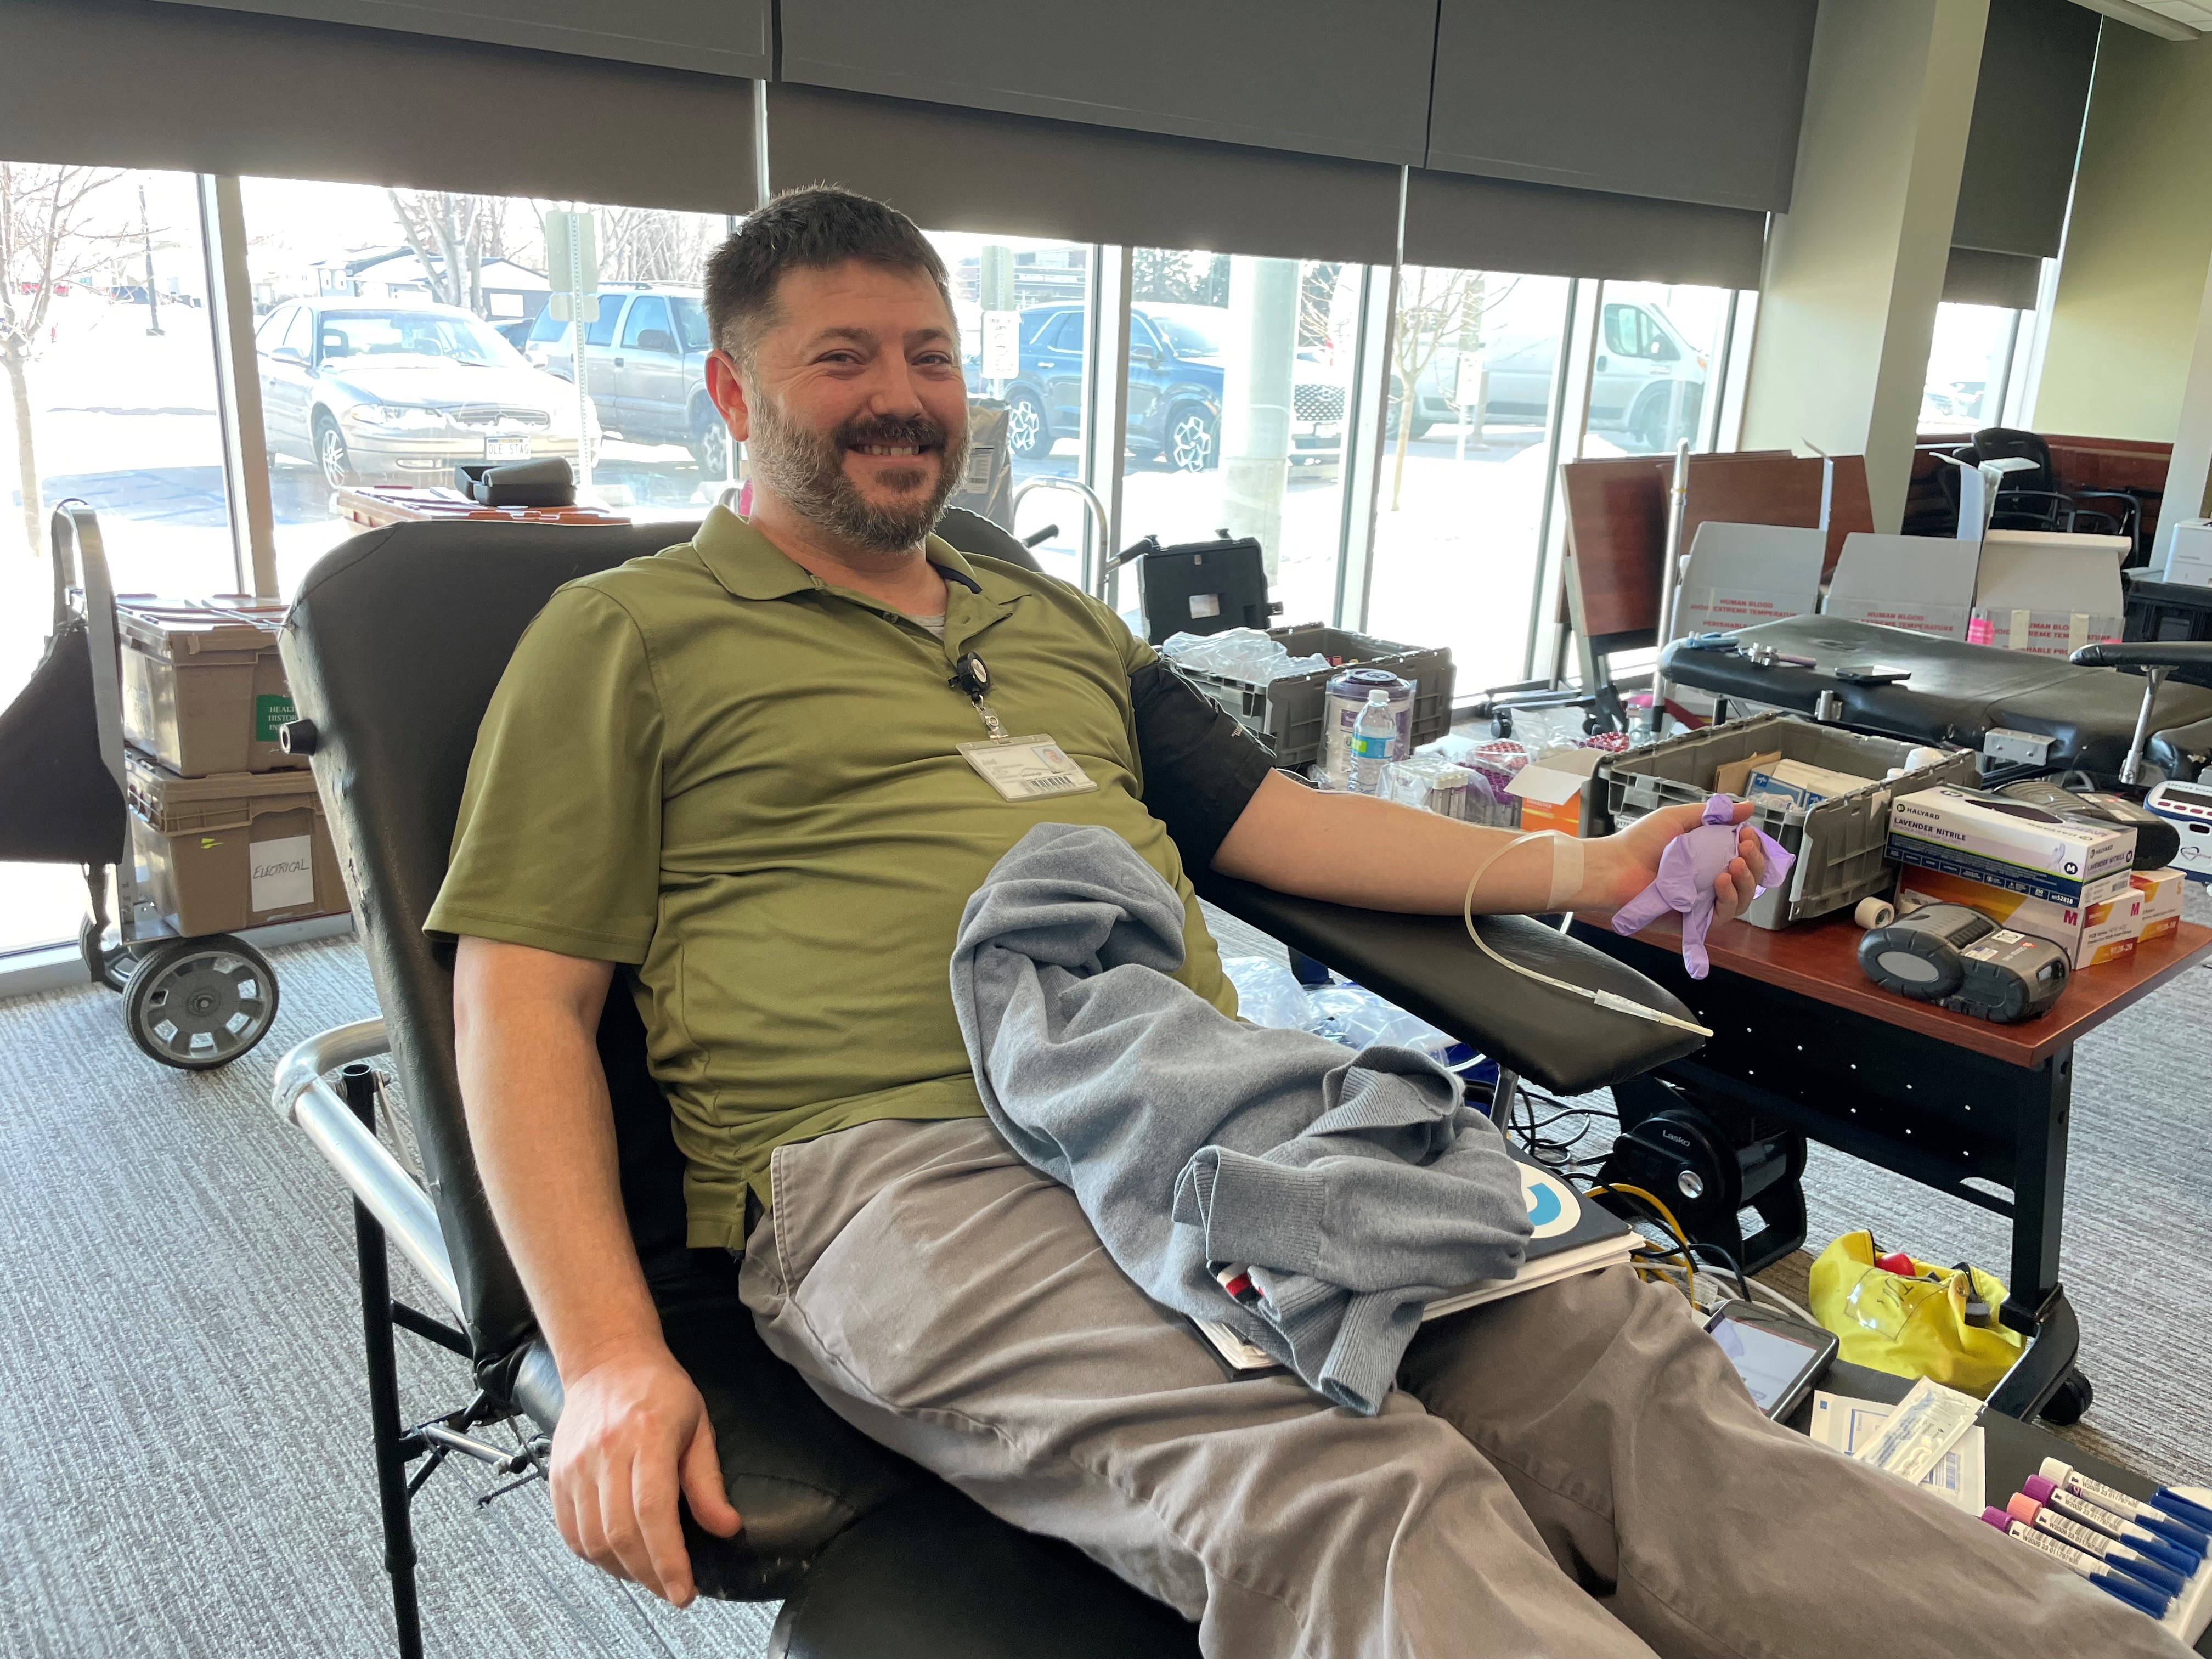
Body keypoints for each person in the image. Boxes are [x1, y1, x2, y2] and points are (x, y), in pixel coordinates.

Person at [430, 187, 2186, 1658]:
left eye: (932, 356)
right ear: (735, 398)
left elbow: (1279, 824)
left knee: (1626, 1380)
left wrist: (1600, 873)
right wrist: (601, 1357)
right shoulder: (628, 638)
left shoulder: (1040, 614)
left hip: (1209, 1108)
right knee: (1349, 1494)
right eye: (842, 359)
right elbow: (518, 1002)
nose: (903, 398)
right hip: (900, 1172)